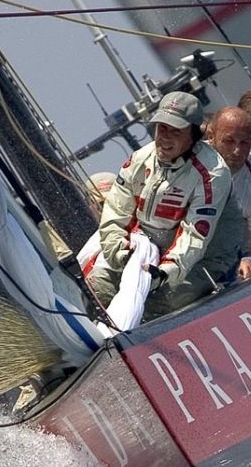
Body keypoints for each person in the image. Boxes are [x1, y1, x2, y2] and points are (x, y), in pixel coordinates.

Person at [87, 91, 232, 321]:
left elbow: (194, 236)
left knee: (162, 305)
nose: (165, 137)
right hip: (138, 249)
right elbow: (115, 214)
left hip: (193, 263)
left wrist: (165, 273)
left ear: (194, 135)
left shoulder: (213, 174)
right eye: (162, 128)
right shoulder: (139, 159)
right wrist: (120, 254)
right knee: (96, 287)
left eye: (176, 131)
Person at [206, 106, 251, 279]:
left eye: (244, 143)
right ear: (211, 136)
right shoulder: (185, 162)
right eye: (229, 141)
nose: (237, 151)